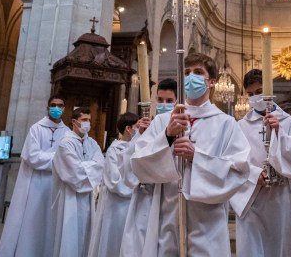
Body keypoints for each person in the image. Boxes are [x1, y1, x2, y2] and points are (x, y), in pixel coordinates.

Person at [121, 54, 250, 256]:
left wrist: (197, 157)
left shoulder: (226, 124)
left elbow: (238, 171)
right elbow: (139, 165)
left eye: (198, 73)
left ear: (212, 82)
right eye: (187, 73)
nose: (191, 78)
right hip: (167, 213)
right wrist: (167, 137)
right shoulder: (163, 121)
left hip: (207, 219)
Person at [232, 69, 291, 257]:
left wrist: (278, 133)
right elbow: (233, 159)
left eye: (259, 92)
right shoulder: (241, 125)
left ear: (269, 89)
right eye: (250, 94)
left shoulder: (289, 122)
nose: (254, 98)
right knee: (253, 246)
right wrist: (252, 173)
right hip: (253, 195)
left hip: (281, 194)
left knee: (281, 244)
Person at [0, 96, 69, 257]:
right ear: (47, 107)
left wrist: (54, 158)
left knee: (52, 222)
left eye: (60, 106)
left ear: (64, 109)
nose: (56, 108)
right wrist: (57, 158)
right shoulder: (36, 129)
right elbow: (32, 156)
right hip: (35, 184)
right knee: (32, 221)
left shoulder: (68, 132)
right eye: (53, 105)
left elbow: (69, 158)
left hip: (56, 184)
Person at [118, 78, 174, 254]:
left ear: (178, 101)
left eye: (169, 101)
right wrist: (139, 138)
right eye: (160, 100)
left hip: (168, 200)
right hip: (145, 198)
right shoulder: (147, 127)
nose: (164, 105)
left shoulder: (181, 127)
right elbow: (128, 168)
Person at [51, 107, 104, 257]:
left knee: (87, 233)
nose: (87, 123)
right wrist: (90, 167)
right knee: (69, 235)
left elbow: (101, 164)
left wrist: (85, 166)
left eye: (89, 120)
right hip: (69, 196)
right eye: (84, 120)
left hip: (87, 196)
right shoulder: (65, 144)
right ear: (74, 122)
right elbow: (73, 172)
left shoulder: (92, 142)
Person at [87, 112, 139, 257]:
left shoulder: (137, 147)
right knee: (115, 240)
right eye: (137, 127)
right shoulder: (113, 151)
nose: (139, 131)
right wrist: (136, 185)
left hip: (132, 203)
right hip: (117, 205)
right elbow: (114, 181)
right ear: (128, 129)